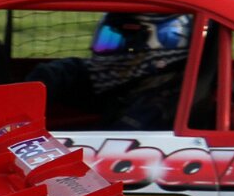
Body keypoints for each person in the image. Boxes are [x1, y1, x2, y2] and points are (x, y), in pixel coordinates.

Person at [26, 13, 192, 130]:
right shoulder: (127, 84)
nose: (105, 50)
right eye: (106, 40)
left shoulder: (157, 106)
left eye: (117, 42)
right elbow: (68, 72)